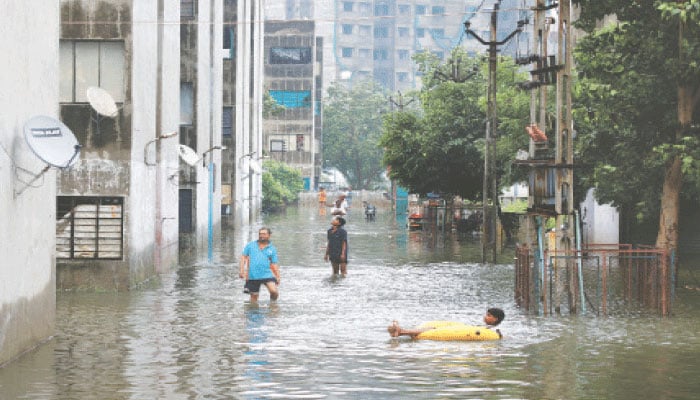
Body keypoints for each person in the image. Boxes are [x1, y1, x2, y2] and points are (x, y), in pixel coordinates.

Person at [387, 308, 505, 339]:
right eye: (486, 314)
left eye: (488, 315)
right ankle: (401, 332)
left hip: (467, 333)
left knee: (432, 330)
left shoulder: (494, 330)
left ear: (495, 319)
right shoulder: (486, 327)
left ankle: (402, 331)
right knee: (433, 327)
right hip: (464, 330)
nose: (485, 316)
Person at [239, 227, 280, 302]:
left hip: (267, 274)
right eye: (260, 234)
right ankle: (252, 312)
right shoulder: (250, 245)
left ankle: (272, 305)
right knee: (254, 299)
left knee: (274, 292)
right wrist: (242, 270)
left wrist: (277, 276)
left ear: (269, 235)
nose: (261, 235)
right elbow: (243, 258)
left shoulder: (272, 248)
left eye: (264, 234)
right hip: (253, 275)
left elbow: (274, 263)